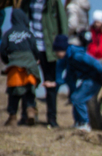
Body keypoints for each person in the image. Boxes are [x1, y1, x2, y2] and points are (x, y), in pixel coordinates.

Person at [21, 0, 68, 128]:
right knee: (28, 80)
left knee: (51, 83)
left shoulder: (53, 2)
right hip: (31, 47)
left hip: (49, 47)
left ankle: (52, 118)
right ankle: (27, 114)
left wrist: (63, 44)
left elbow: (63, 21)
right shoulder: (26, 3)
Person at [54, 34, 102, 132]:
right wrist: (56, 83)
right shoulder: (67, 58)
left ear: (63, 49)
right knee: (74, 97)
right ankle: (78, 122)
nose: (56, 53)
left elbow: (94, 62)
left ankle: (85, 123)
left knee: (78, 98)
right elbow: (61, 72)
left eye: (57, 51)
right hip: (87, 79)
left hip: (95, 78)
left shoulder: (77, 55)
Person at [1, 9, 41, 126]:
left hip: (15, 65)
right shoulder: (29, 33)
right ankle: (30, 111)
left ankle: (12, 117)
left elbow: (3, 50)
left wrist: (7, 61)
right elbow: (35, 49)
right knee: (29, 90)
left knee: (14, 92)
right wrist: (35, 60)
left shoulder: (8, 33)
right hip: (29, 65)